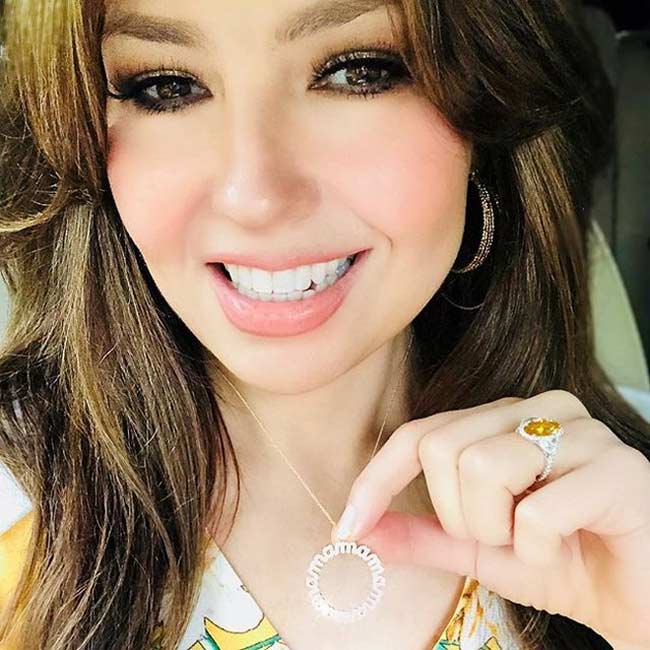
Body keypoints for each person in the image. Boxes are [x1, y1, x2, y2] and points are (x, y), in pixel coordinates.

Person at [0, 0, 649, 649]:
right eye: (167, 86)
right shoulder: (15, 512)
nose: (254, 197)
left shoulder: (622, 500)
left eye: (357, 72)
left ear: (487, 109)